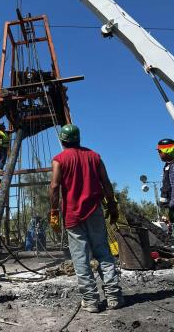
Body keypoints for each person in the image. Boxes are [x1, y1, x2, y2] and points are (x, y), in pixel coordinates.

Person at [49, 124, 124, 313]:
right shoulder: (94, 156)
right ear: (78, 138)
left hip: (72, 215)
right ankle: (114, 297)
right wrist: (113, 206)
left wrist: (53, 212)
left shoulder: (59, 160)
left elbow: (54, 187)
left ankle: (91, 301)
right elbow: (106, 182)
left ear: (62, 141)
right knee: (103, 253)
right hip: (95, 213)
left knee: (80, 258)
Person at [157, 138, 174, 226]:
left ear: (166, 151)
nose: (159, 154)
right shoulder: (169, 165)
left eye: (159, 151)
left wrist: (172, 206)